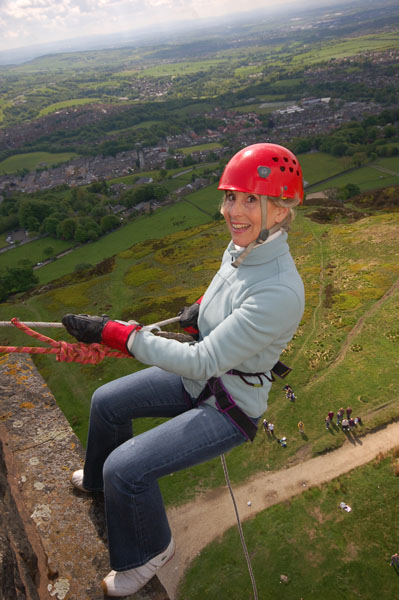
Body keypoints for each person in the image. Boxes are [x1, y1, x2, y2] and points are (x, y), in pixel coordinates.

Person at [61, 143, 305, 597]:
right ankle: (97, 483)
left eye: (252, 199)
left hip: (230, 406)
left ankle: (150, 549)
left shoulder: (279, 290)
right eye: (231, 196)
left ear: (280, 210)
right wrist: (201, 312)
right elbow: (224, 301)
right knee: (105, 404)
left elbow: (202, 359)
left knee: (127, 469)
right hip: (203, 380)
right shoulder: (241, 250)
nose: (235, 210)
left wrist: (119, 334)